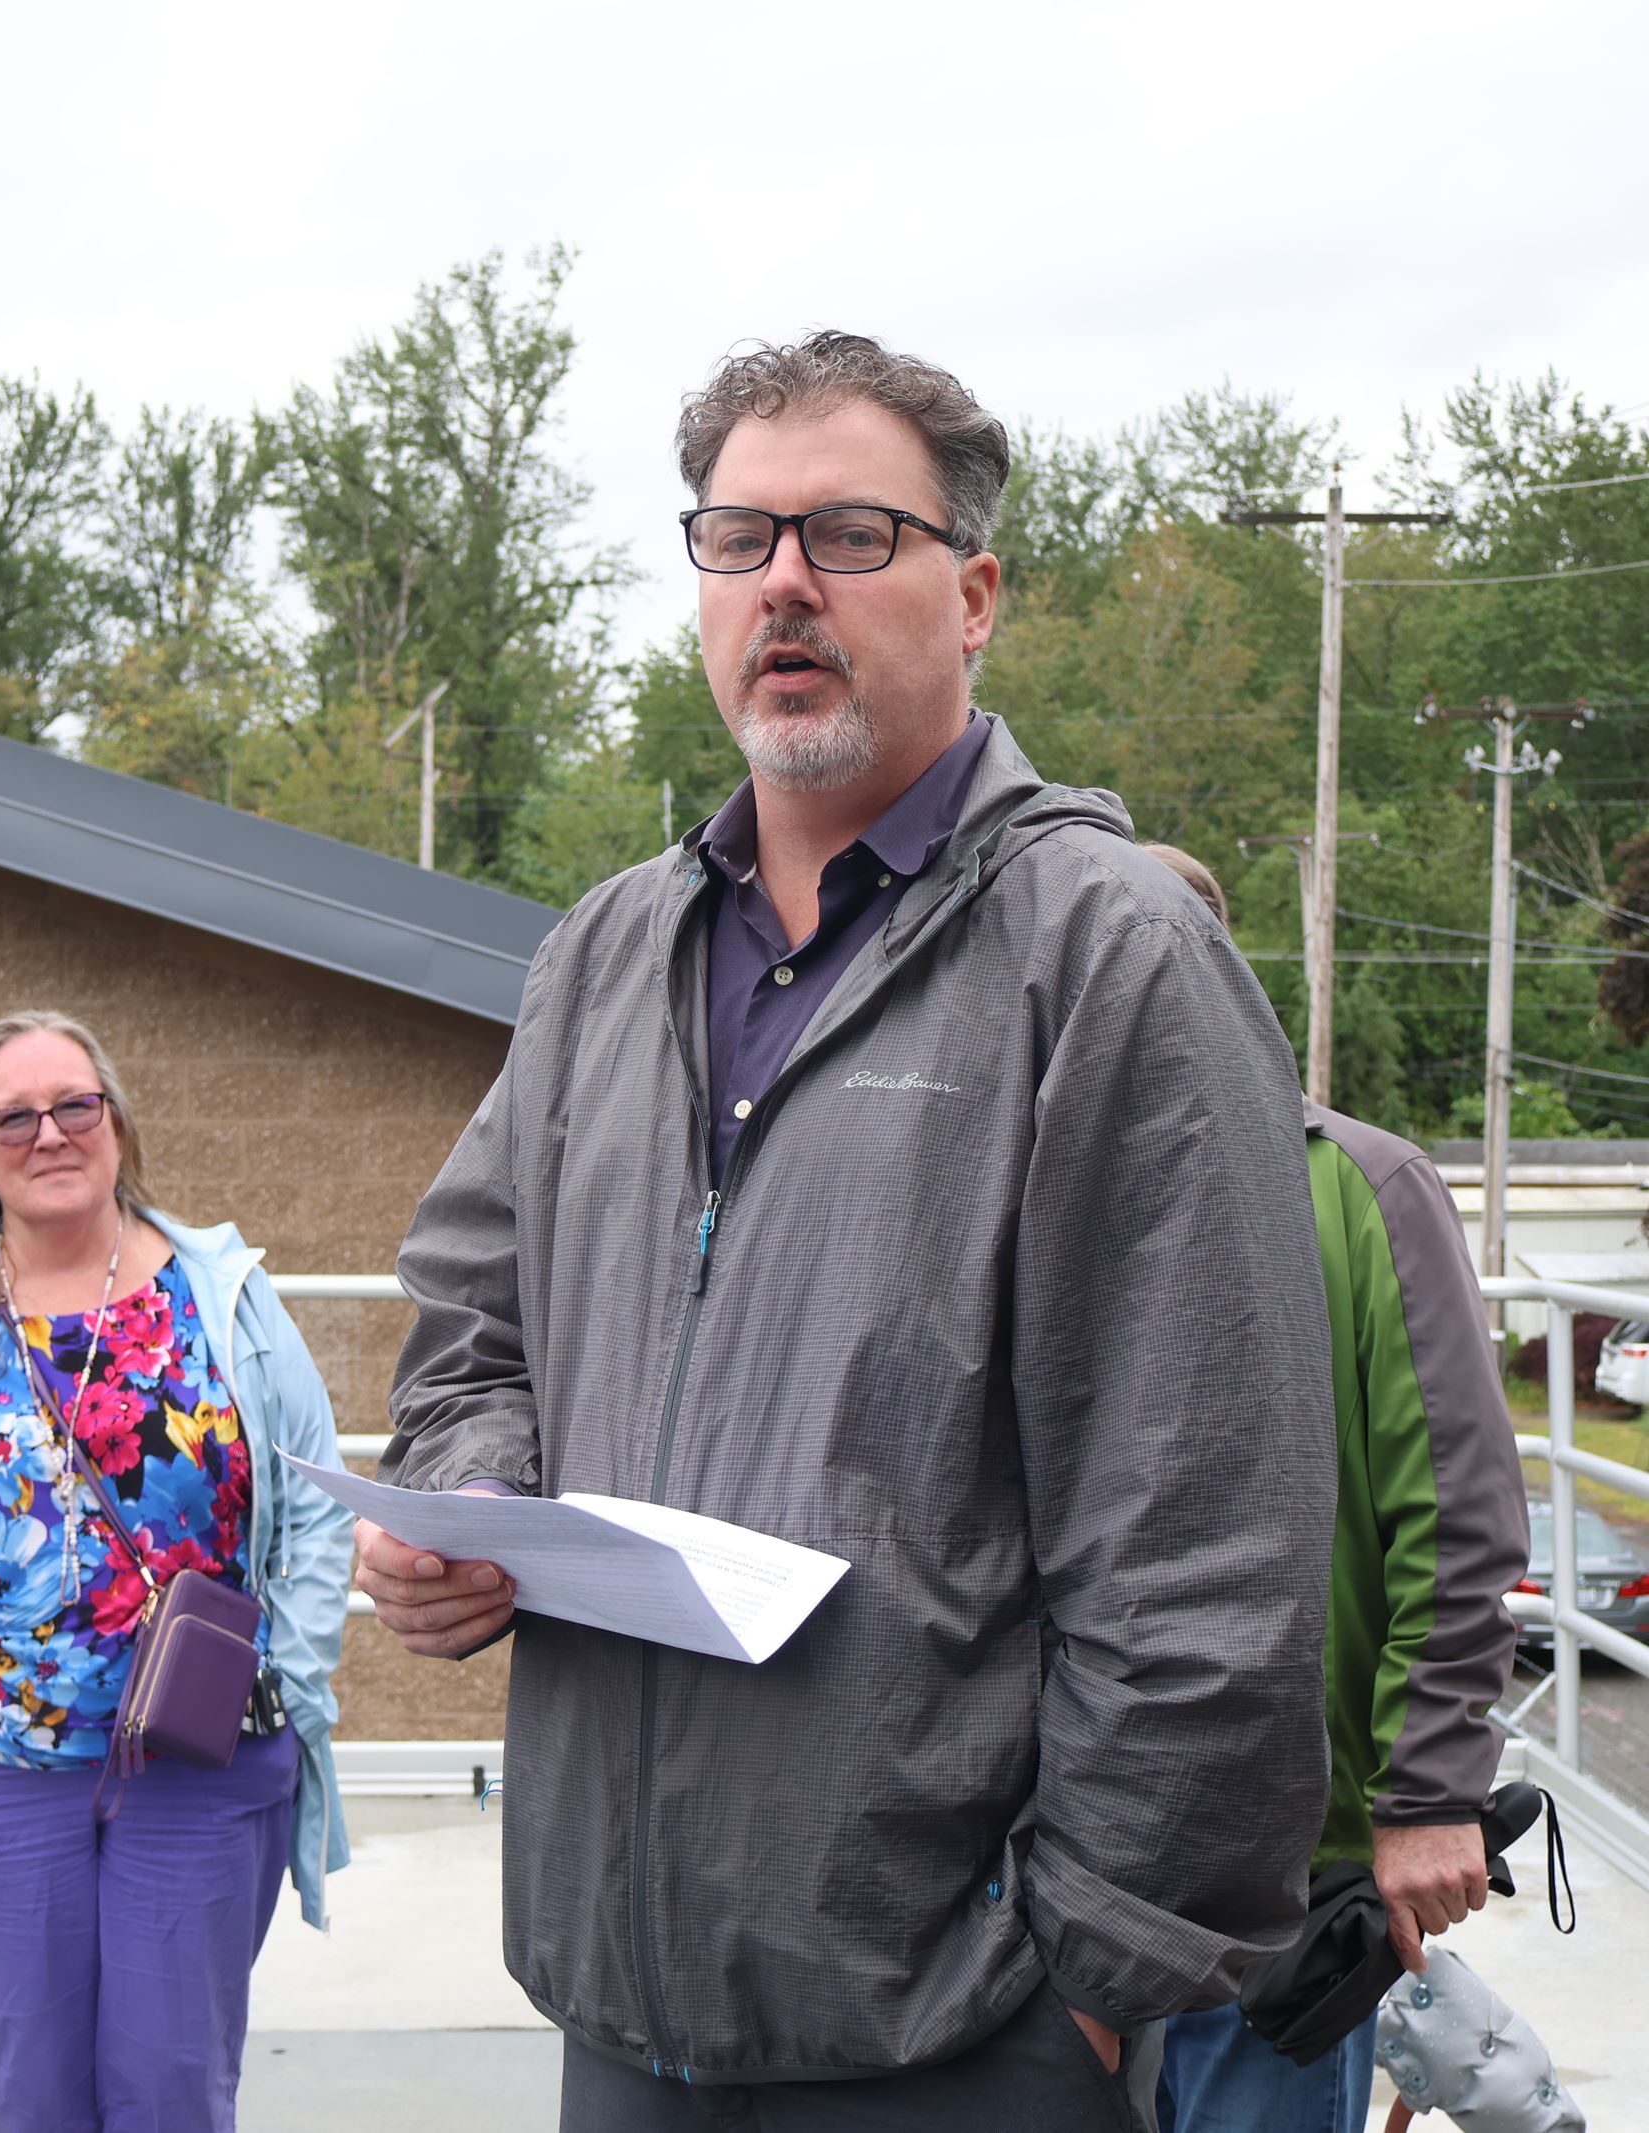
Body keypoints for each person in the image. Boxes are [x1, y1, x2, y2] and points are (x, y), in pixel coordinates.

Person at [357, 331, 1337, 2131]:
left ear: (973, 597)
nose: (786, 582)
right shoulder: (605, 953)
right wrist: (478, 1496)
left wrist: (1090, 1982)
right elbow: (470, 1329)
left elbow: (1205, 1528)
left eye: (850, 534)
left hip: (959, 2029)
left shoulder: (1107, 954)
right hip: (623, 1993)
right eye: (739, 540)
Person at [0, 1008, 352, 2133]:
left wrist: (288, 1684)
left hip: (197, 1768)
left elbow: (313, 1506)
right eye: (11, 1116)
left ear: (114, 1124)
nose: (47, 1133)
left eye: (73, 1105)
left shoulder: (225, 1299)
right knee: (30, 2105)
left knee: (171, 2096)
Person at [1142, 842, 1529, 2133]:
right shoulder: (1007, 1185)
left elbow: (1459, 1524)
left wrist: (1425, 1797)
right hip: (1046, 1857)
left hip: (1276, 1871)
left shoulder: (1358, 1183)